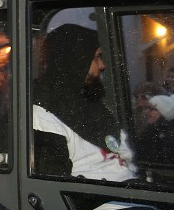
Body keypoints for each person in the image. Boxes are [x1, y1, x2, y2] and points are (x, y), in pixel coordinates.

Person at [32, 23, 136, 181]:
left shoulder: (91, 104)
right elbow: (55, 186)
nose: (102, 66)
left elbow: (125, 157)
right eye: (96, 58)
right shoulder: (43, 114)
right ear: (75, 60)